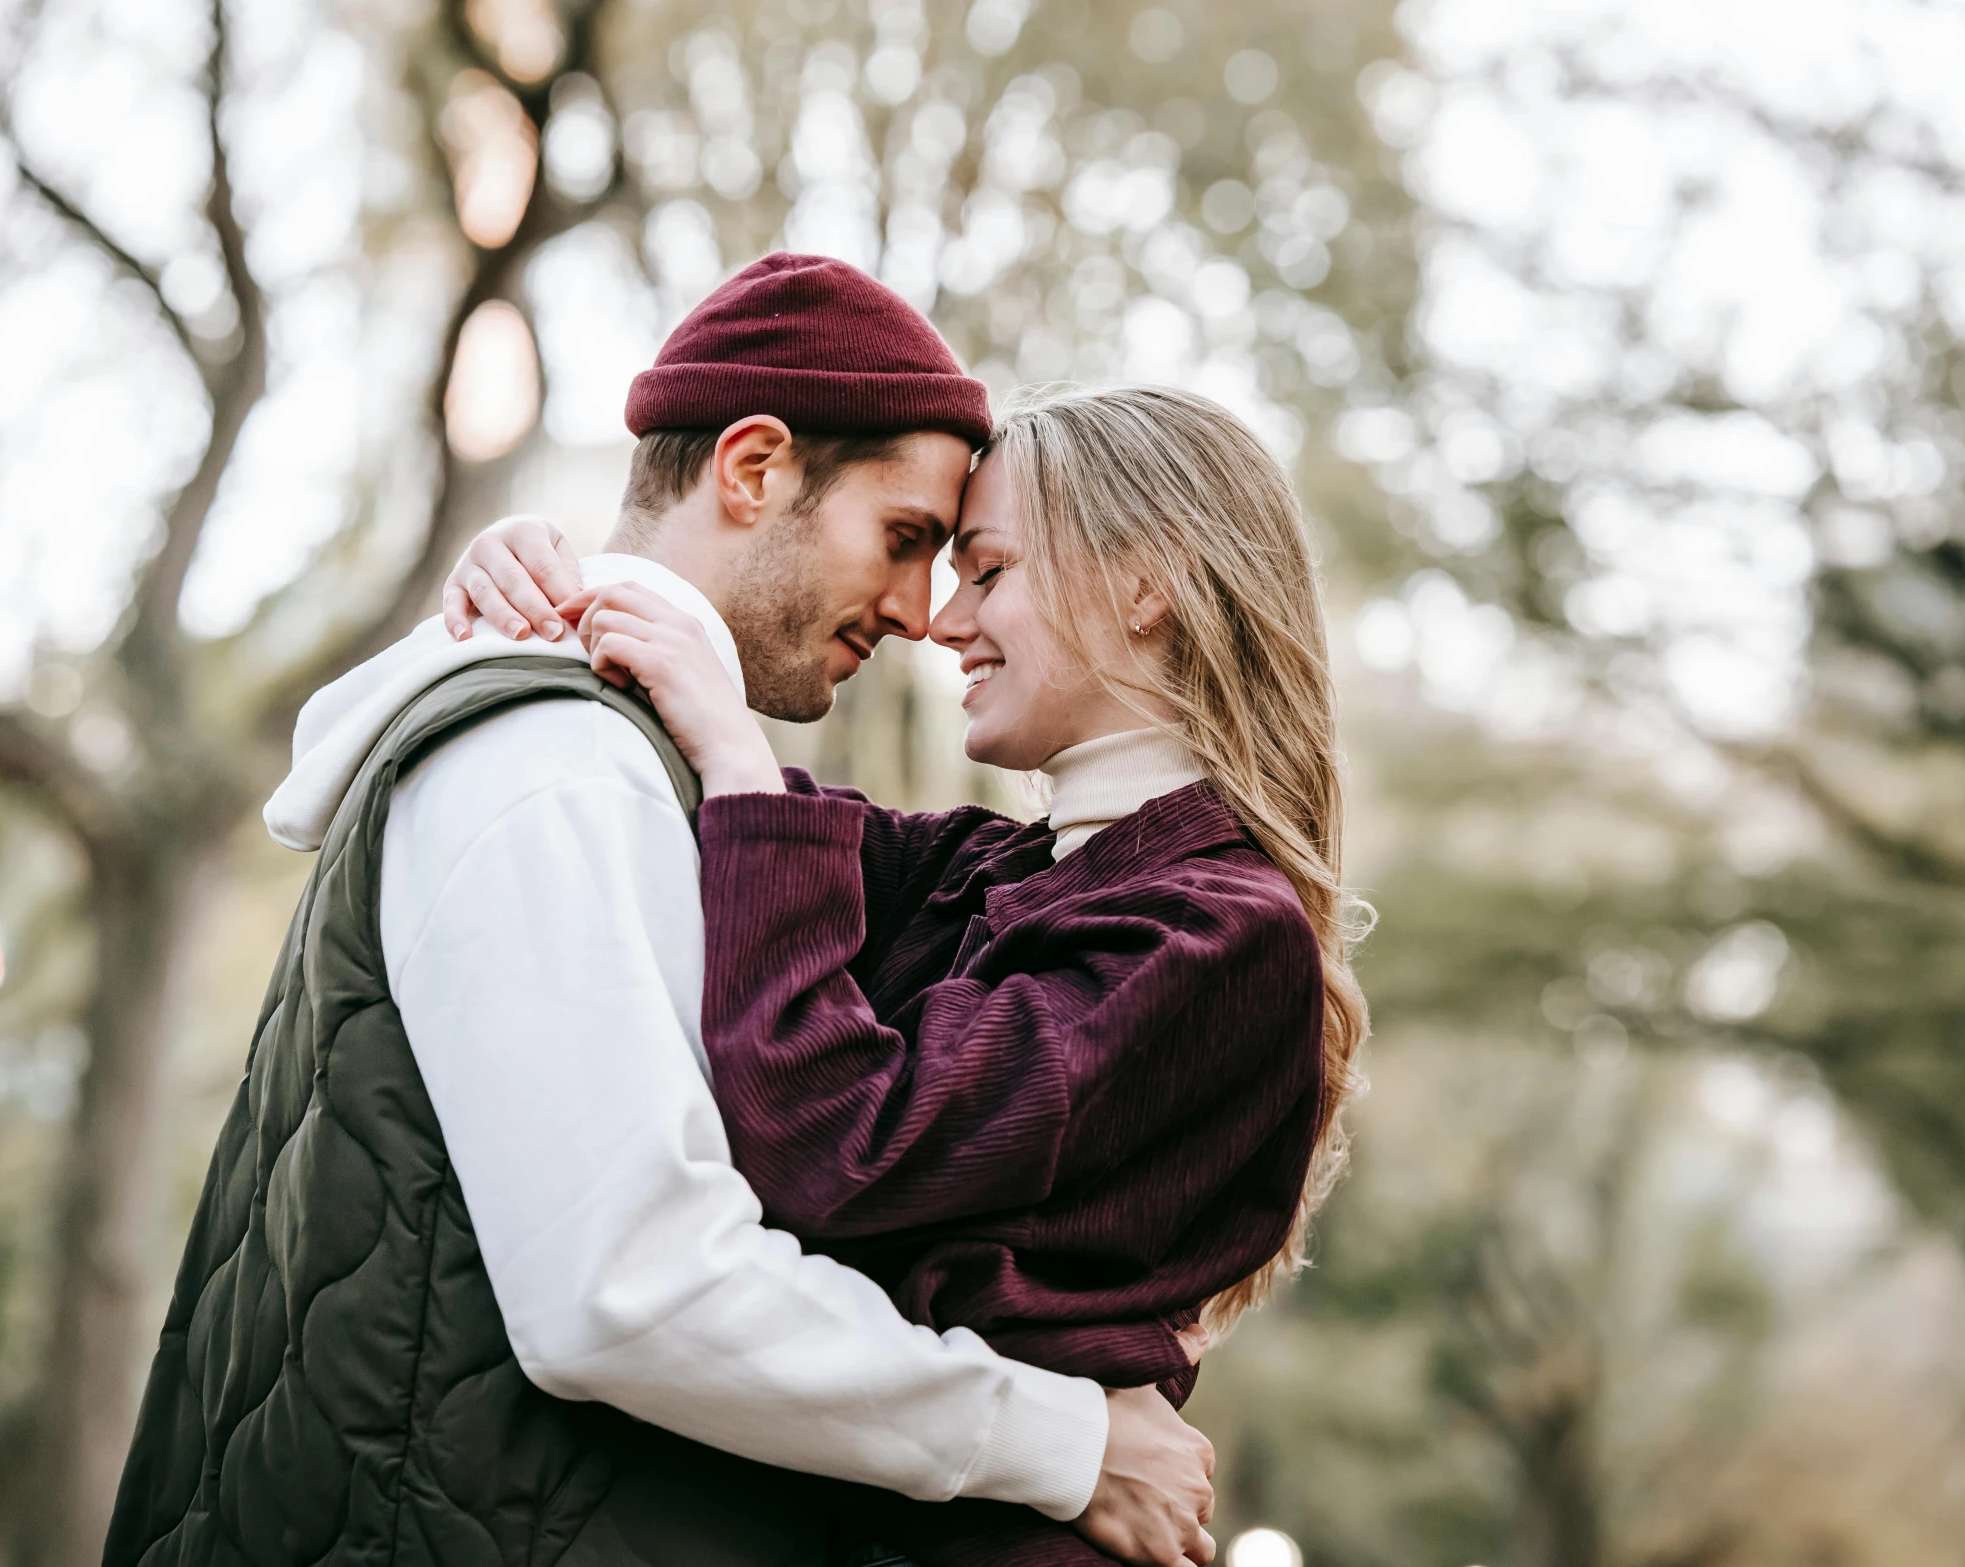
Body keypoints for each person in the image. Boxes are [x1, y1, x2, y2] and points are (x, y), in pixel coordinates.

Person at [102, 256, 1217, 1567]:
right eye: (906, 537)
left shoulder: (633, 765)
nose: (924, 612)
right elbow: (625, 1284)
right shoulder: (554, 764)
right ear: (753, 469)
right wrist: (1063, 1442)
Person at [445, 383, 1371, 1565]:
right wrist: (551, 582)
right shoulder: (990, 867)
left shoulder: (1219, 936)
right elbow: (740, 835)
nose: (943, 622)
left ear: (1148, 584)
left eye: (987, 570)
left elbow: (842, 1147)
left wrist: (737, 748)